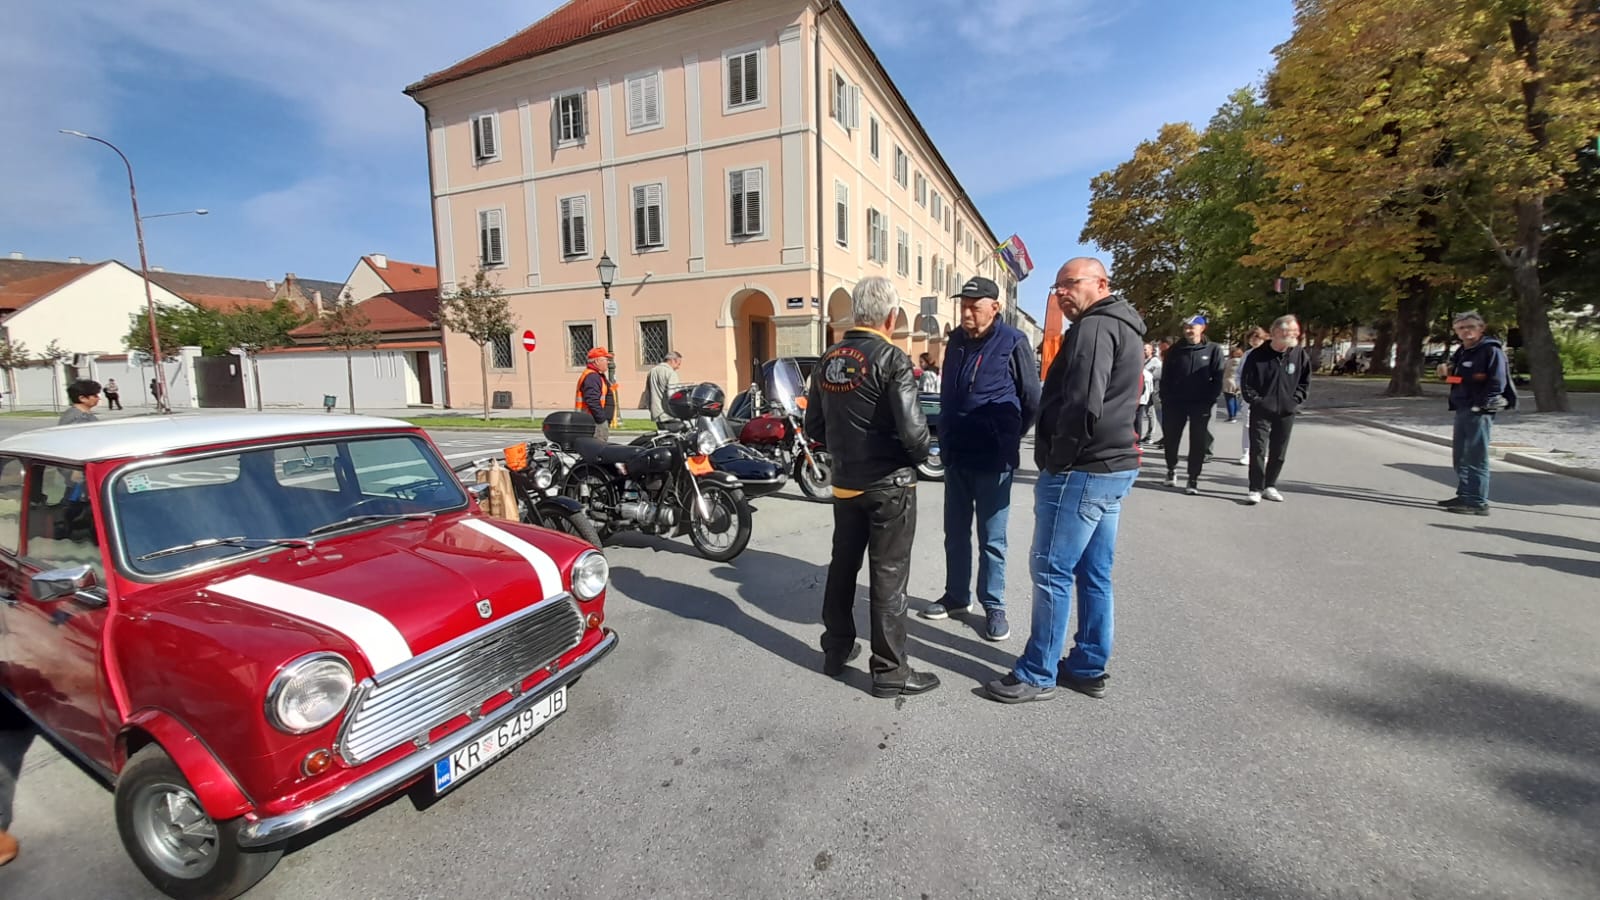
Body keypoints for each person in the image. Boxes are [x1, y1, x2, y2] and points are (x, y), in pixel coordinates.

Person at [985, 258, 1144, 704]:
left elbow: (1082, 404)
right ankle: (1089, 664)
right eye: (1057, 288)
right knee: (1094, 573)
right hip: (1111, 467)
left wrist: (1058, 460)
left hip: (1084, 469)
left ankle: (1037, 673)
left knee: (1053, 570)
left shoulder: (1095, 328)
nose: (1062, 294)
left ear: (1101, 283)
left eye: (1070, 284)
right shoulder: (1125, 325)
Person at [804, 276, 938, 698]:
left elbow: (814, 428)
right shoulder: (893, 359)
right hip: (890, 486)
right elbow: (915, 436)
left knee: (843, 568)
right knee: (889, 575)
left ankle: (835, 650)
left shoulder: (827, 360)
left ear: (856, 313)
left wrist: (848, 452)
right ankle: (889, 671)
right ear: (891, 316)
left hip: (845, 485)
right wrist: (919, 456)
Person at [920, 276, 1041, 642]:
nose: (967, 312)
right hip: (956, 454)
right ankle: (957, 596)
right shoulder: (955, 340)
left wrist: (1007, 435)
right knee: (954, 533)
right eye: (964, 305)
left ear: (995, 307)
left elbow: (1031, 397)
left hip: (993, 457)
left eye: (975, 305)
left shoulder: (1013, 341)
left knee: (992, 538)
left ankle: (994, 604)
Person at [1436, 311, 1509, 516]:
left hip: (1480, 409)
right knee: (1460, 455)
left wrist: (1483, 404)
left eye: (1470, 326)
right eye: (1461, 328)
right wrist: (1446, 378)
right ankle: (1465, 494)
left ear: (1481, 328)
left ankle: (1477, 501)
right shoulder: (1463, 351)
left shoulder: (1490, 351)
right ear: (1456, 331)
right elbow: (1462, 380)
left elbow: (1497, 382)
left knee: (1476, 455)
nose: (1466, 331)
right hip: (1463, 406)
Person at [1239, 315, 1311, 504]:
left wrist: (1295, 400)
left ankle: (1270, 485)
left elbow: (1305, 381)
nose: (1296, 334)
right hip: (1262, 409)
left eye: (1297, 331)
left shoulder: (1299, 354)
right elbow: (1246, 382)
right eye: (1292, 331)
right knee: (1258, 449)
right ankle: (1255, 487)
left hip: (1286, 410)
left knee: (1279, 450)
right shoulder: (1257, 355)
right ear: (1277, 332)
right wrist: (1257, 401)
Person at [1159, 315, 1224, 494]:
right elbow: (1166, 376)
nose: (1188, 330)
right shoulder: (1174, 350)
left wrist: (1211, 397)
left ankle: (1192, 478)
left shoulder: (1213, 350)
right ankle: (1171, 468)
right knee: (1171, 439)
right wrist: (1165, 397)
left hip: (1201, 404)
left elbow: (1218, 377)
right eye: (1186, 327)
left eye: (1192, 327)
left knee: (1198, 441)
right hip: (1175, 403)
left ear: (1202, 329)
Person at [1236, 327, 1268, 465]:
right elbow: (1239, 373)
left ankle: (1262, 452)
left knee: (1265, 426)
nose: (1253, 341)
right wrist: (1240, 388)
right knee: (1247, 425)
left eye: (1257, 338)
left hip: (1266, 396)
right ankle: (1246, 452)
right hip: (1248, 395)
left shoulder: (1269, 354)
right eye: (1251, 338)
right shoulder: (1247, 355)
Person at [574, 347, 616, 441]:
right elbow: (592, 401)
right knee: (597, 450)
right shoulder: (592, 377)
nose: (608, 362)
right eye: (606, 359)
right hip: (594, 422)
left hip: (595, 421)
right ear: (597, 361)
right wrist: (601, 419)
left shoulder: (597, 375)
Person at [646, 351, 683, 426]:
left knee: (663, 436)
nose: (678, 367)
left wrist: (650, 408)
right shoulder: (671, 373)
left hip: (656, 412)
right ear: (672, 360)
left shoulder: (652, 371)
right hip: (668, 414)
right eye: (678, 364)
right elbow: (672, 394)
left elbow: (647, 393)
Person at [1136, 342, 1161, 445]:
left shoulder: (1155, 361)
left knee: (1151, 413)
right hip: (1142, 390)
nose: (1144, 351)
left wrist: (1148, 375)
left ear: (1151, 350)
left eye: (1146, 349)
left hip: (1152, 390)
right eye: (1143, 349)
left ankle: (1150, 435)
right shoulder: (1141, 360)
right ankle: (1144, 435)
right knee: (1146, 413)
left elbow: (1159, 375)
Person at [1222, 346, 1244, 422]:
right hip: (1238, 382)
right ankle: (1234, 415)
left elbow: (1222, 369)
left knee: (1229, 399)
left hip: (1228, 381)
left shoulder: (1229, 361)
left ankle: (1231, 416)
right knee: (1236, 399)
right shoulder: (1242, 361)